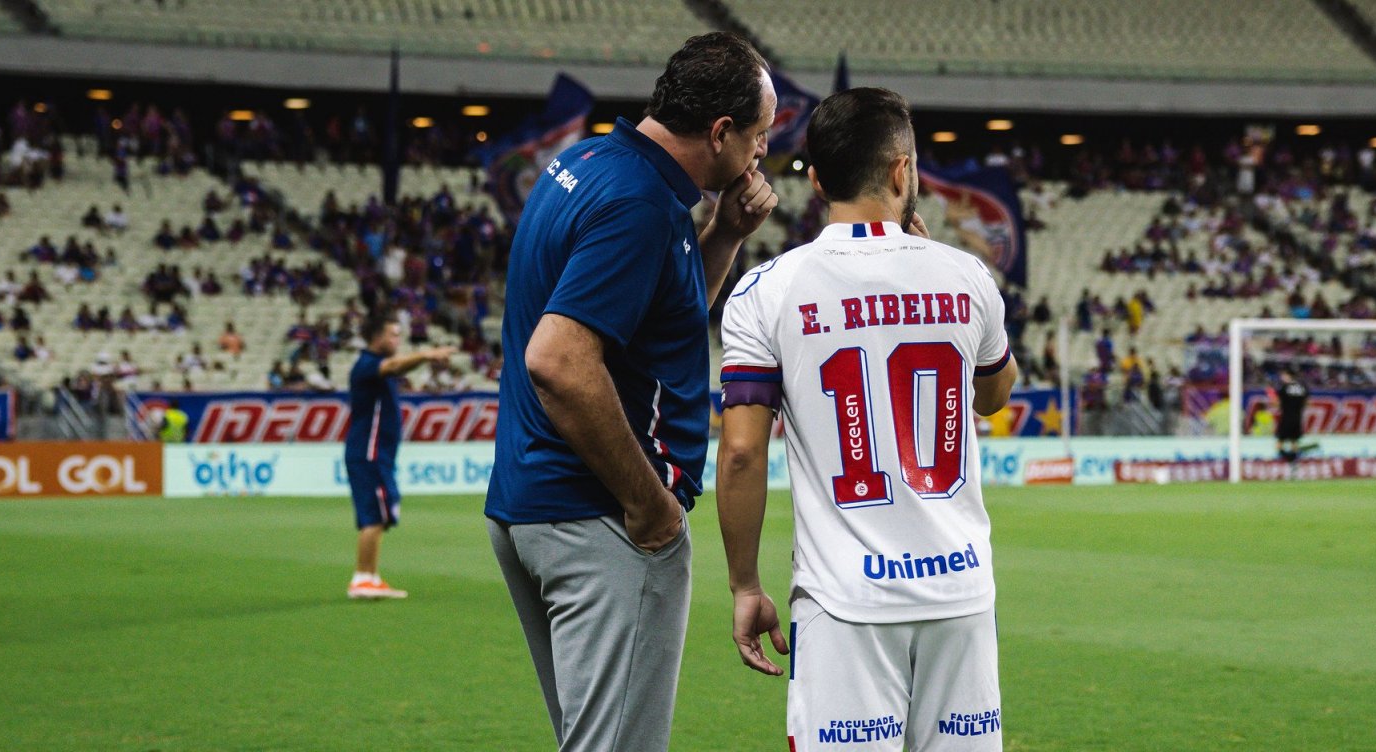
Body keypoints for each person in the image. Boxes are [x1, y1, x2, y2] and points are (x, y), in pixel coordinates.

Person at [484, 31, 778, 752]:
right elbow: (557, 358)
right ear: (720, 132)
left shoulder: (588, 161)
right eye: (762, 135)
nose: (764, 154)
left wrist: (723, 238)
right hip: (600, 522)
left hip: (532, 504)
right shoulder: (640, 206)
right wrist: (651, 507)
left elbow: (652, 330)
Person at [716, 88, 1017, 752]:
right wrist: (939, 285)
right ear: (903, 171)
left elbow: (740, 454)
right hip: (959, 592)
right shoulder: (967, 277)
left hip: (845, 601)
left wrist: (745, 583)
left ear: (817, 180)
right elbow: (994, 393)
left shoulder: (767, 290)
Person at [345, 315, 453, 600]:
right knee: (374, 516)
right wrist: (426, 354)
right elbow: (394, 364)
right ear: (376, 337)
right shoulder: (368, 365)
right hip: (369, 453)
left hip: (376, 454)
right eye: (393, 334)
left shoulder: (373, 368)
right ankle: (362, 578)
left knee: (380, 513)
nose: (397, 340)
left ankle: (370, 576)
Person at [1271, 370, 1312, 462]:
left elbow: (1277, 403)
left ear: (1288, 376)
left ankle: (1283, 460)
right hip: (1297, 418)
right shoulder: (1302, 388)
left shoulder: (1284, 387)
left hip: (1286, 417)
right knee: (1294, 441)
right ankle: (1294, 462)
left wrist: (1272, 398)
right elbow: (1308, 403)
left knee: (1280, 441)